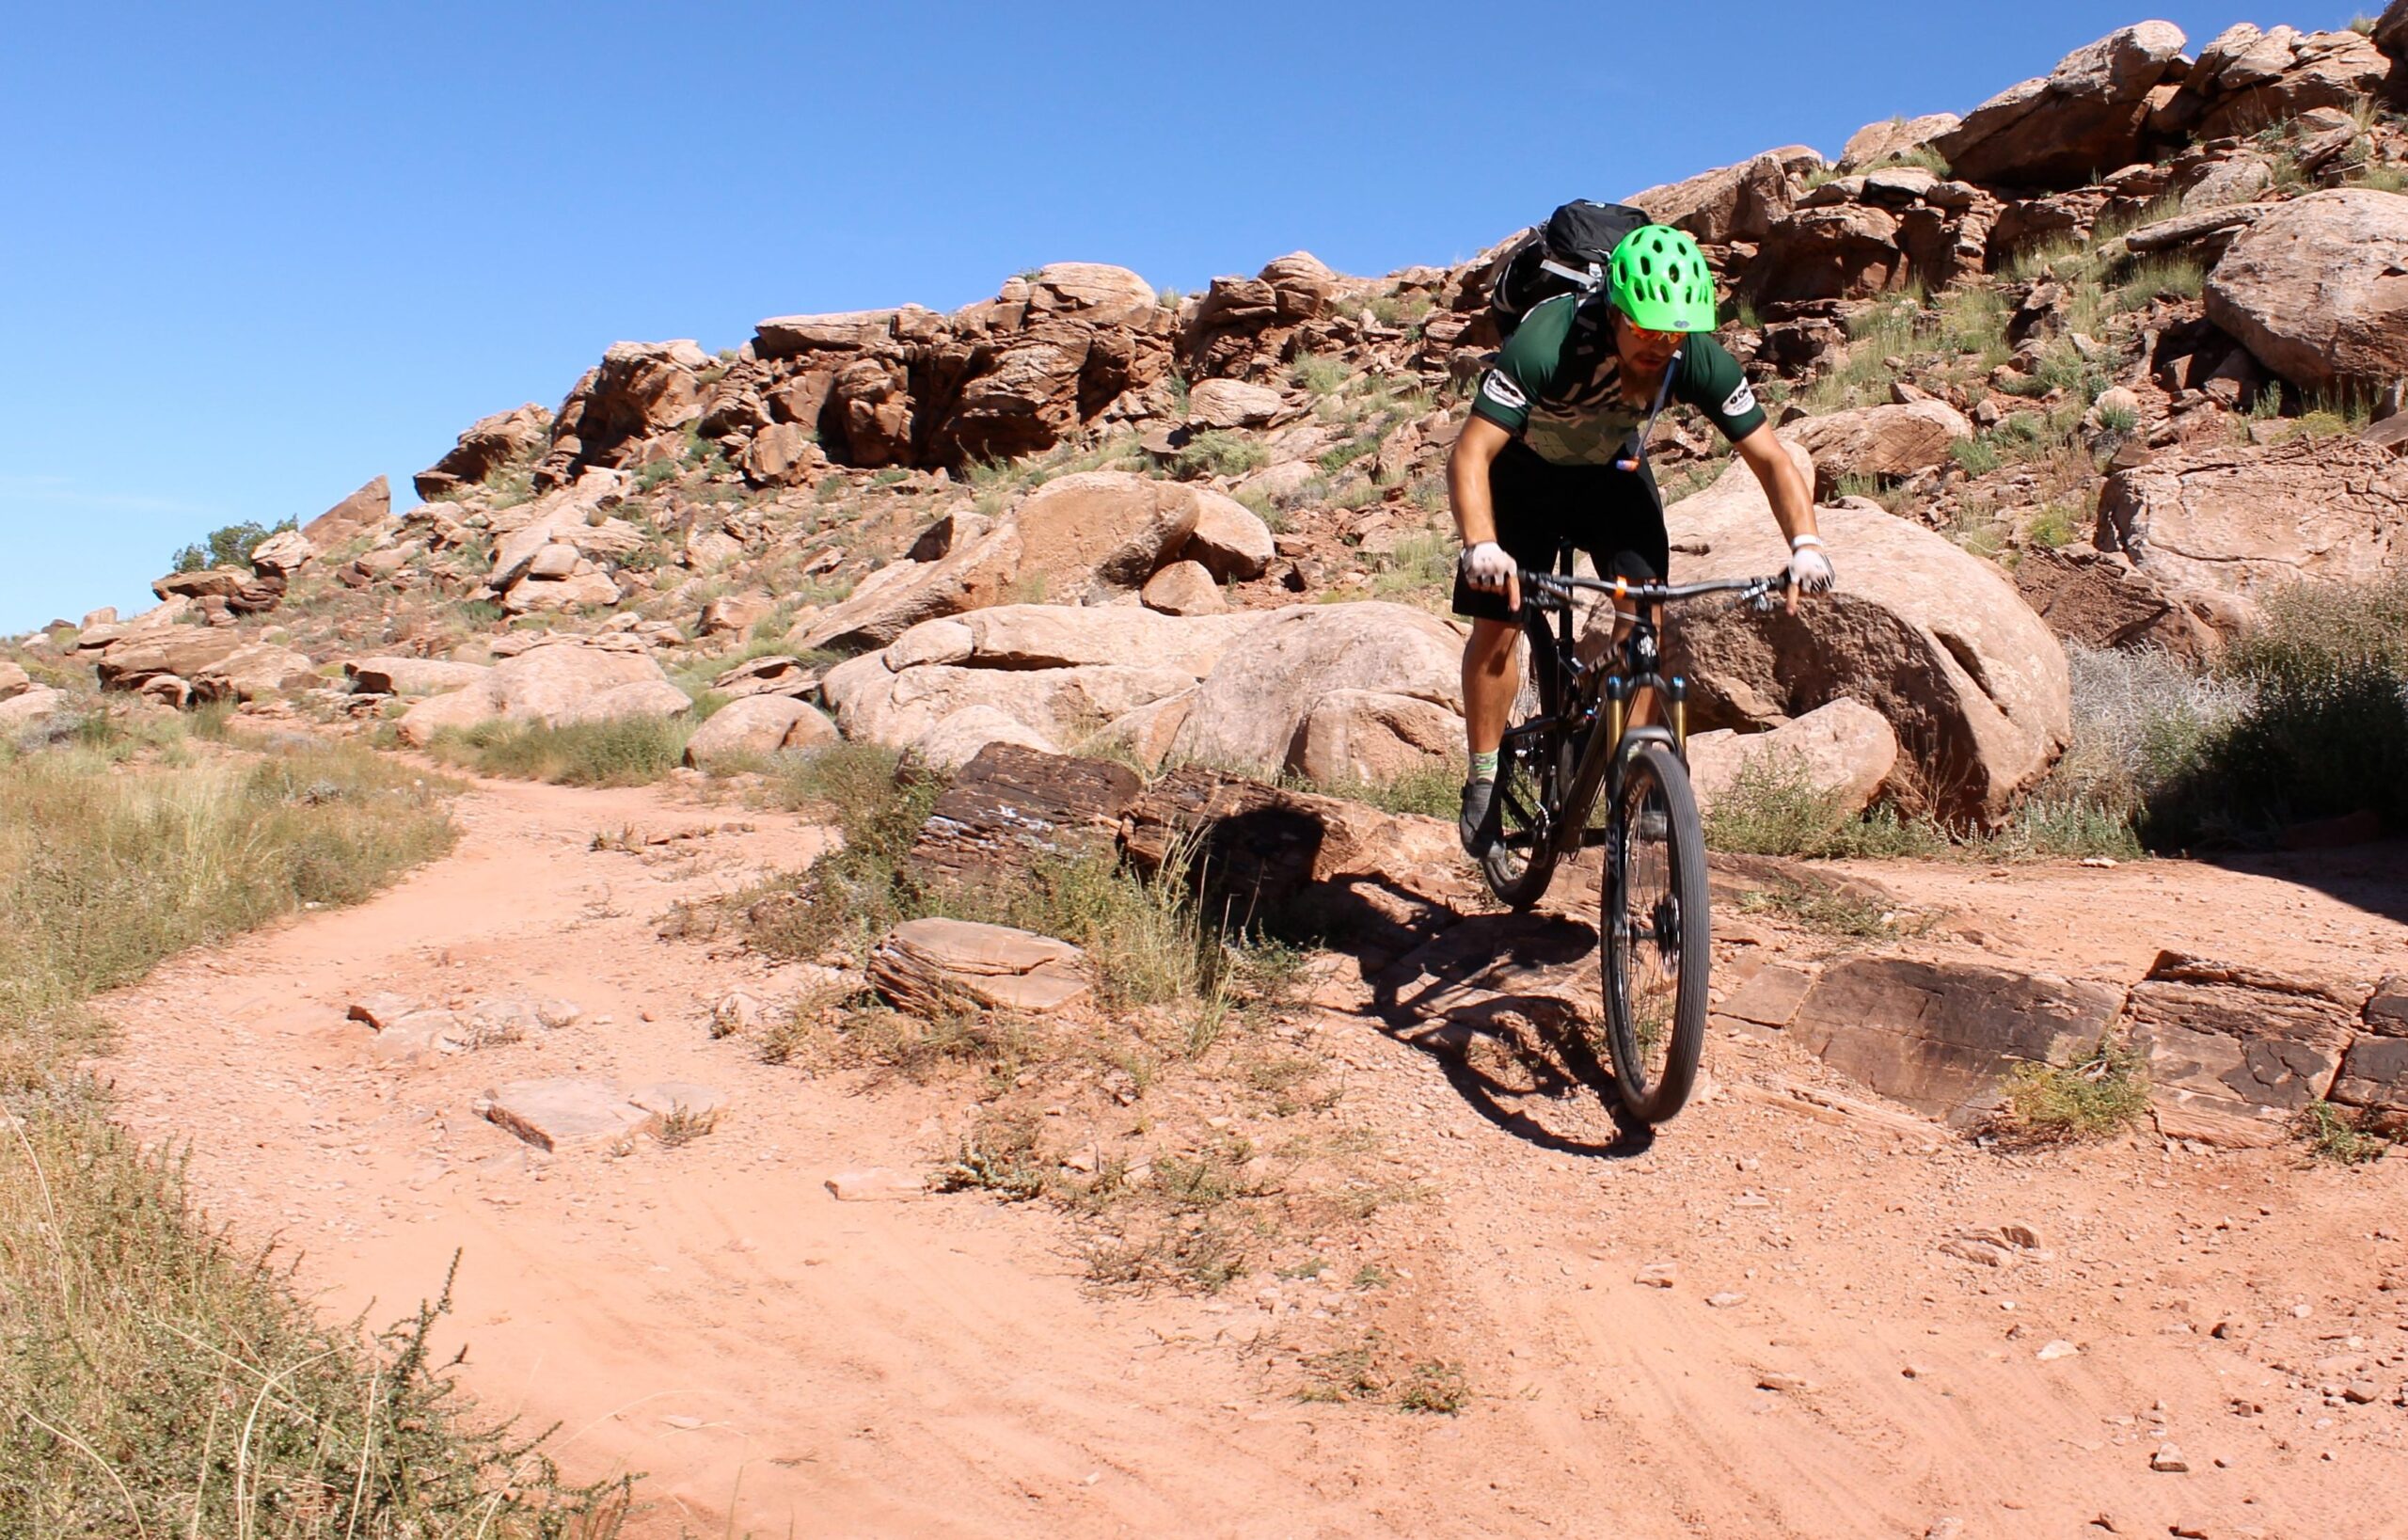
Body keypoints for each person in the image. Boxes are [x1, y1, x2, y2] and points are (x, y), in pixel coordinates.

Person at [1450, 222, 1832, 855]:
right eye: (1649, 331)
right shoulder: (1548, 340)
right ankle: (1485, 779)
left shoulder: (1693, 354)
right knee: (1500, 618)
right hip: (1523, 475)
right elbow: (1469, 455)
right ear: (1615, 311)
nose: (1662, 347)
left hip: (1610, 475)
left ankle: (1640, 776)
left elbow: (1770, 458)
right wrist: (1482, 544)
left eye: (1675, 333)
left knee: (1646, 622)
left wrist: (1807, 545)